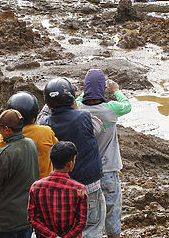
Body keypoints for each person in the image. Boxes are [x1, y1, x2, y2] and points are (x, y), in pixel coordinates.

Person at [39, 78, 106, 238]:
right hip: (88, 187)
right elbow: (98, 128)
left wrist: (49, 107)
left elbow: (39, 120)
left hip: (60, 191)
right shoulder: (83, 117)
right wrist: (75, 106)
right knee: (92, 229)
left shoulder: (45, 123)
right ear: (71, 98)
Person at [76, 70, 131, 238]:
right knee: (112, 211)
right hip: (108, 168)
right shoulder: (111, 110)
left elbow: (77, 99)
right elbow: (127, 105)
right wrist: (116, 90)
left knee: (88, 215)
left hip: (86, 171)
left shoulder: (78, 109)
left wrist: (87, 90)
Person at [0, 109, 39, 238]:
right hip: (25, 215)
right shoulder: (31, 144)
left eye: (1, 128)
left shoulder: (6, 153)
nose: (0, 132)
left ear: (8, 129)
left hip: (7, 219)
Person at [28, 141, 88, 238]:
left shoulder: (36, 187)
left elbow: (32, 218)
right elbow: (81, 222)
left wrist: (53, 236)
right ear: (70, 164)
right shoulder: (79, 190)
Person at [0, 91, 58, 179]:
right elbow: (56, 150)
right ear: (34, 116)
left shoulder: (3, 138)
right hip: (43, 186)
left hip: (18, 188)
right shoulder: (46, 132)